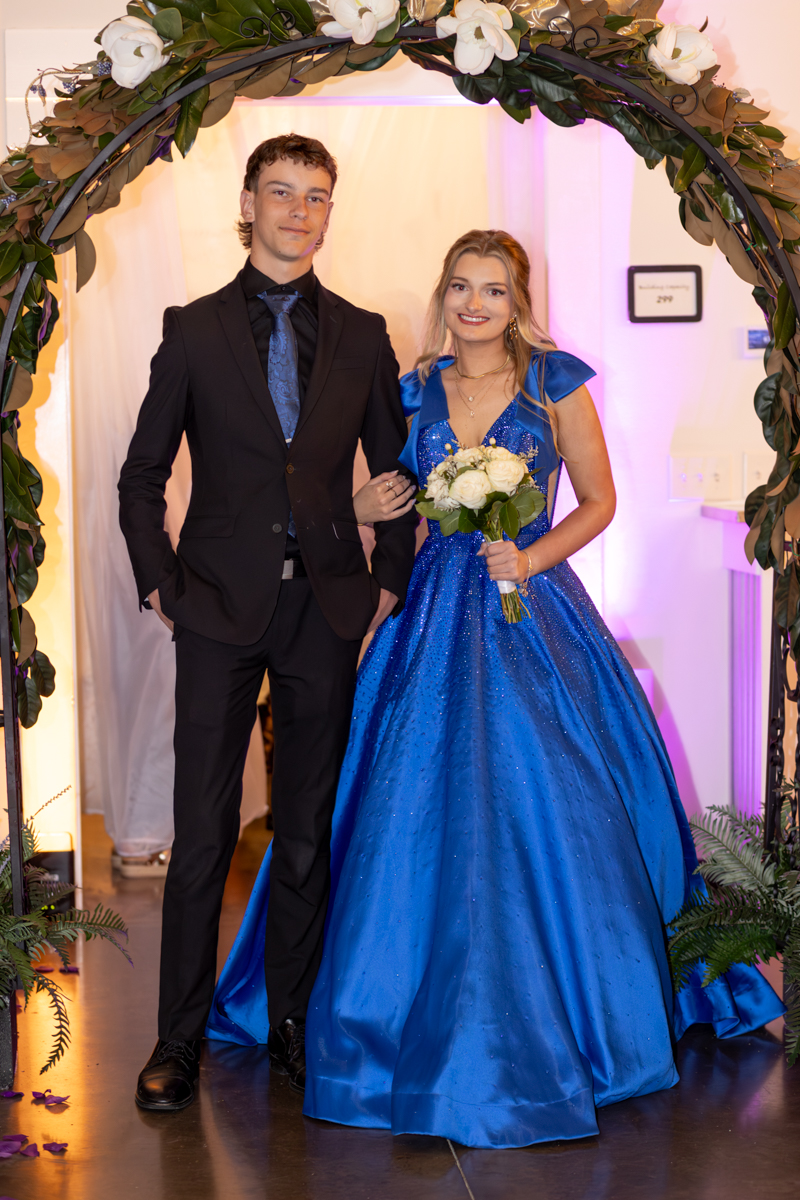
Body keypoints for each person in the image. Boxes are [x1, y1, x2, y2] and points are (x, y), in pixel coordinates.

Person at [209, 230, 783, 1147]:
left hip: (534, 606)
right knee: (397, 801)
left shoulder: (557, 383)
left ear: (519, 300)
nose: (476, 305)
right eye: (462, 288)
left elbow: (597, 501)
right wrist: (357, 514)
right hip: (429, 609)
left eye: (496, 290)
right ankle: (379, 1001)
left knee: (562, 800)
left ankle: (594, 1004)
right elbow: (385, 498)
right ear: (443, 294)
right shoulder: (408, 389)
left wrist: (531, 553)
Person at [118, 133, 417, 1112]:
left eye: (316, 196)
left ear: (330, 211)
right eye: (280, 192)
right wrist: (161, 584)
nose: (298, 210)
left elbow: (396, 479)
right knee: (201, 832)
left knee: (302, 833)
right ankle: (177, 1042)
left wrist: (384, 584)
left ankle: (292, 1023)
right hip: (213, 610)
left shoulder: (367, 335)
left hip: (323, 610)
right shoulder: (193, 330)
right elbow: (142, 477)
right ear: (246, 202)